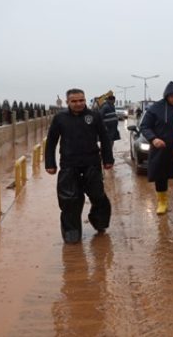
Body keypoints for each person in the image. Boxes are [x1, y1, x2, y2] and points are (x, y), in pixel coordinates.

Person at [45, 88, 114, 244]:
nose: (78, 104)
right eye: (74, 101)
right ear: (67, 102)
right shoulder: (60, 118)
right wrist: (50, 163)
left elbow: (104, 138)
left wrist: (108, 159)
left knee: (97, 195)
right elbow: (51, 141)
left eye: (81, 100)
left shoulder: (94, 116)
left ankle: (99, 221)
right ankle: (71, 231)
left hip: (92, 163)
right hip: (69, 164)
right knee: (70, 200)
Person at [139, 81, 173, 216]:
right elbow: (144, 126)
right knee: (161, 177)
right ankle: (162, 203)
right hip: (160, 149)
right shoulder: (155, 108)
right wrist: (153, 139)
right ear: (167, 96)